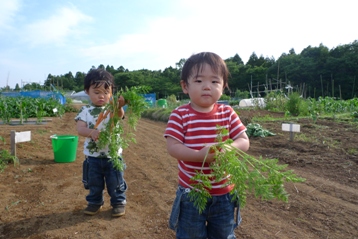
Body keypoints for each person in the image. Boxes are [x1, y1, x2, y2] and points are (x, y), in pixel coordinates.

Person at [164, 52, 250, 239]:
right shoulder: (180, 115)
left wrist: (228, 148)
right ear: (185, 86)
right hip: (192, 193)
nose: (207, 87)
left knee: (224, 234)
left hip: (224, 194)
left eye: (214, 82)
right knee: (190, 235)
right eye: (199, 81)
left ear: (223, 86)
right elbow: (173, 147)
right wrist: (199, 155)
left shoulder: (227, 112)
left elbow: (244, 141)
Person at [74, 68, 127, 217]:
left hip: (113, 155)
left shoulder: (112, 108)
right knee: (94, 182)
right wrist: (92, 132)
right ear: (87, 91)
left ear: (111, 92)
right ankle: (94, 203)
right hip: (93, 156)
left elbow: (119, 116)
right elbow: (80, 129)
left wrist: (120, 106)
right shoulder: (85, 110)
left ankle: (118, 202)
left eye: (106, 92)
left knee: (115, 181)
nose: (101, 96)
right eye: (96, 93)